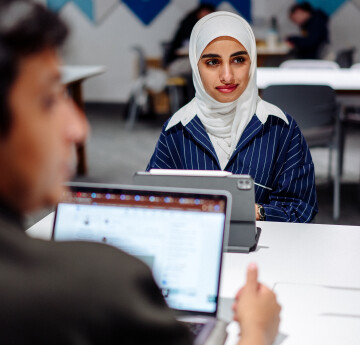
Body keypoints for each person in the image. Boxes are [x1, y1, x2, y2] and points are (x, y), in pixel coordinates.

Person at [0, 1, 280, 344]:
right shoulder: (95, 288)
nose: (78, 128)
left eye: (239, 59)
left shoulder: (280, 128)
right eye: (47, 100)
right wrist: (257, 330)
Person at [147, 11, 318, 223]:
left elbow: (301, 209)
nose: (227, 76)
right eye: (212, 62)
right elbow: (151, 206)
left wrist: (256, 212)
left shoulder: (281, 128)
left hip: (267, 250)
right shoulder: (176, 130)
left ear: (252, 62)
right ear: (195, 66)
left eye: (238, 60)